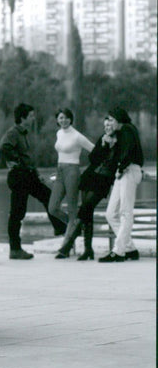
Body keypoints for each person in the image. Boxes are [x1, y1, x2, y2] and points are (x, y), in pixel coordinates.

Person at [0, 103, 68, 260]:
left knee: (49, 197)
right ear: (23, 118)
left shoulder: (23, 133)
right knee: (17, 213)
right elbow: (3, 148)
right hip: (19, 176)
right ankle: (15, 249)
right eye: (31, 116)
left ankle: (60, 228)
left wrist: (36, 174)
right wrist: (16, 161)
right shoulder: (13, 133)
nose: (33, 118)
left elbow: (26, 158)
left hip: (28, 175)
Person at [55, 116, 118, 261]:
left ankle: (68, 244)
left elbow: (114, 162)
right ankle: (88, 249)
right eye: (105, 126)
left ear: (115, 126)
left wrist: (111, 145)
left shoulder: (120, 141)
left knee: (85, 207)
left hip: (103, 181)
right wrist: (102, 144)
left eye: (110, 126)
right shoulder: (103, 138)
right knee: (87, 213)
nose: (107, 128)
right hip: (90, 177)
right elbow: (93, 159)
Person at [99, 107, 144, 262]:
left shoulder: (127, 130)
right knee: (110, 214)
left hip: (128, 170)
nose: (108, 122)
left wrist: (121, 167)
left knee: (125, 212)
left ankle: (118, 252)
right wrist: (108, 142)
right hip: (124, 171)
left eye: (111, 119)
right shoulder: (120, 133)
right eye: (107, 120)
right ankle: (130, 249)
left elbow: (130, 152)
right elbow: (109, 158)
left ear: (119, 119)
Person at [49, 108, 95, 258]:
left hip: (72, 172)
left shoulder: (77, 136)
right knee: (53, 208)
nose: (64, 120)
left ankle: (65, 247)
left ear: (71, 119)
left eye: (67, 118)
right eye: (61, 118)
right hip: (60, 170)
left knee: (72, 209)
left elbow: (95, 150)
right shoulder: (59, 133)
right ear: (57, 119)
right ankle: (74, 225)